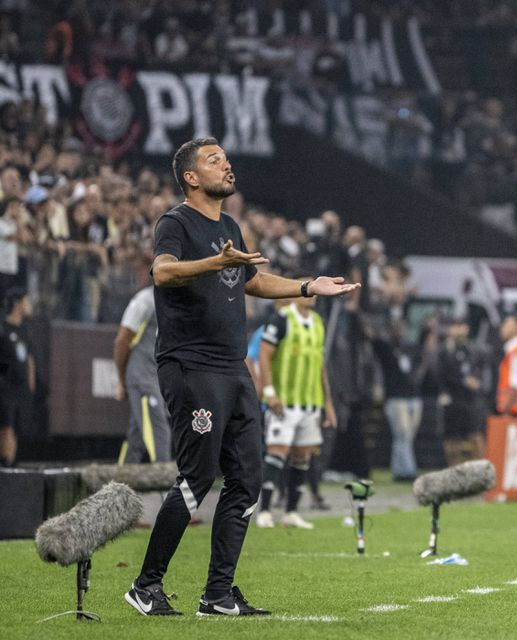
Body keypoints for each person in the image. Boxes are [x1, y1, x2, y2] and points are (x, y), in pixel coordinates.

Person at [124, 137, 359, 618]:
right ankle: (145, 586)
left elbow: (252, 280)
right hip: (192, 366)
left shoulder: (229, 225)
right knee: (197, 477)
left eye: (226, 159)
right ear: (191, 177)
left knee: (248, 481)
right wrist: (216, 262)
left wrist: (307, 286)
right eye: (214, 161)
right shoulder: (176, 222)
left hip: (233, 368)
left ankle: (218, 593)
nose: (226, 165)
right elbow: (162, 273)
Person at [255, 287, 336, 529]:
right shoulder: (282, 319)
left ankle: (291, 511)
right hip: (284, 403)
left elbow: (321, 366)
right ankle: (265, 511)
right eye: (307, 288)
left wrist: (328, 403)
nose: (312, 295)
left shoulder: (319, 323)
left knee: (302, 458)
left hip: (310, 403)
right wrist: (269, 393)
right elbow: (264, 355)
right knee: (277, 453)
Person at [113, 286, 172, 464]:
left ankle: (119, 486)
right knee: (159, 431)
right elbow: (122, 340)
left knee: (137, 436)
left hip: (156, 377)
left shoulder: (178, 301)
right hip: (142, 375)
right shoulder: (144, 301)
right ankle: (167, 489)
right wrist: (122, 380)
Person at [370, 318, 422, 481]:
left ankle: (400, 470)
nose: (399, 331)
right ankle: (408, 471)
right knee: (402, 435)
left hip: (412, 397)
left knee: (406, 437)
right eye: (396, 328)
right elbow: (373, 338)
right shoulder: (386, 348)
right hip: (396, 398)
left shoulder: (408, 348)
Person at [439, 318, 486, 465]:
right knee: (452, 439)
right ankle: (455, 472)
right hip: (453, 399)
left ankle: (478, 471)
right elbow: (441, 374)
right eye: (455, 326)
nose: (458, 330)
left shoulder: (472, 349)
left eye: (461, 326)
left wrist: (476, 380)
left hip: (471, 400)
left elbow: (480, 369)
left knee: (476, 436)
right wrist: (463, 381)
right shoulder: (445, 350)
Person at [0, 287, 34, 467]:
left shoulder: (24, 331)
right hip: (5, 386)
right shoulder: (3, 329)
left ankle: (11, 463)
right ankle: (5, 463)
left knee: (16, 429)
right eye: (27, 301)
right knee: (6, 426)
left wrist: (30, 387)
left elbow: (29, 360)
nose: (30, 305)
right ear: (17, 303)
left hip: (20, 389)